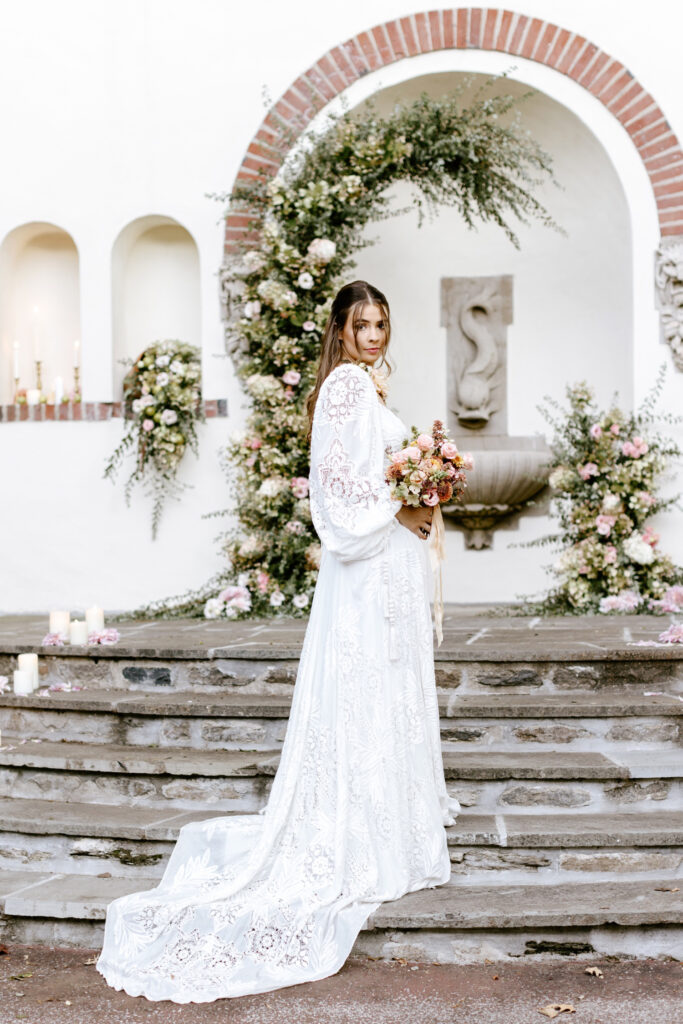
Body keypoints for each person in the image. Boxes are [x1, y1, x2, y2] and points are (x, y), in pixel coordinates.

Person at [96, 279, 461, 1003]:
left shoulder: (360, 387)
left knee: (384, 689)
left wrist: (421, 483)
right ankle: (367, 835)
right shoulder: (348, 390)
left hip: (387, 568)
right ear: (339, 331)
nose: (374, 336)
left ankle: (391, 825)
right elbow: (338, 499)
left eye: (382, 324)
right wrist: (403, 507)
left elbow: (365, 477)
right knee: (366, 690)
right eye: (362, 325)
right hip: (369, 569)